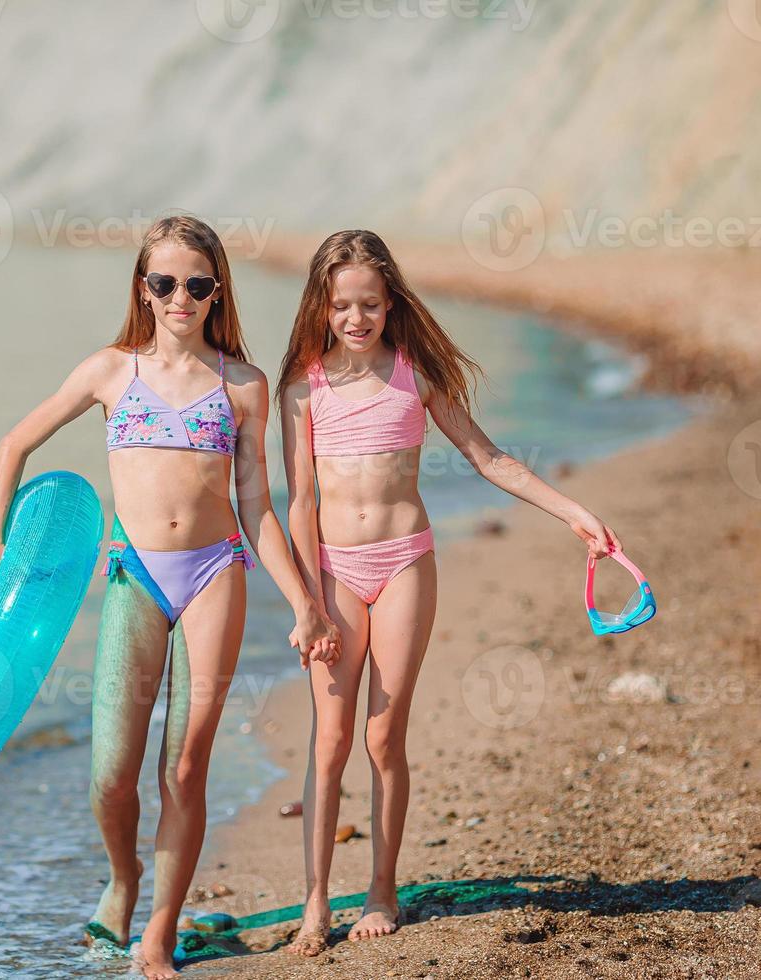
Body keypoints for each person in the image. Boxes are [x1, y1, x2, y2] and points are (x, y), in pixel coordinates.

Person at [0, 215, 341, 978]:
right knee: (111, 774)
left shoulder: (242, 385)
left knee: (185, 767)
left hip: (215, 573)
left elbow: (258, 511)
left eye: (198, 284)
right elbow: (16, 444)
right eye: (165, 282)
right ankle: (125, 877)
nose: (181, 297)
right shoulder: (110, 372)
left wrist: (306, 602)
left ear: (217, 292)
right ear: (143, 290)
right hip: (134, 575)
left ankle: (158, 933)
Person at [274, 229, 623, 956]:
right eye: (342, 306)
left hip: (404, 565)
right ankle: (313, 904)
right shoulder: (302, 389)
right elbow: (299, 502)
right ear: (322, 307)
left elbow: (491, 459)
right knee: (331, 739)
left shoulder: (415, 376)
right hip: (335, 572)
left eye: (370, 303)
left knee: (381, 736)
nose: (356, 318)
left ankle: (381, 889)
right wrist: (306, 602)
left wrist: (577, 515)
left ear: (391, 302)